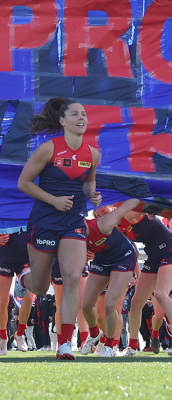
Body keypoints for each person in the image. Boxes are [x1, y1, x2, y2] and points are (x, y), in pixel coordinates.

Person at [16, 97, 101, 360]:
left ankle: (65, 343)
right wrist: (53, 200)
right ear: (62, 120)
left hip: (73, 221)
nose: (81, 118)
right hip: (43, 222)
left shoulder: (92, 154)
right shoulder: (48, 149)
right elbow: (24, 182)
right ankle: (23, 280)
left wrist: (93, 196)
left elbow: (88, 186)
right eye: (75, 114)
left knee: (73, 277)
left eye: (84, 113)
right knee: (40, 288)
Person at [80, 199, 140, 357]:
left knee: (110, 305)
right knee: (86, 304)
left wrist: (142, 192)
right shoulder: (72, 237)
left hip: (124, 259)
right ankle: (94, 335)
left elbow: (130, 204)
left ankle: (109, 345)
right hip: (102, 261)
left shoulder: (104, 223)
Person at [118, 208, 172, 356]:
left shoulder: (128, 213)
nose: (103, 213)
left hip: (169, 250)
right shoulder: (114, 225)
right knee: (136, 303)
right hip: (153, 257)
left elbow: (144, 206)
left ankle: (158, 337)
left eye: (105, 211)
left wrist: (152, 210)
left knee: (161, 295)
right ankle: (132, 347)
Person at [0, 226, 35, 356]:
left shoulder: (28, 207)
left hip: (26, 255)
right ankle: (3, 338)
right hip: (5, 256)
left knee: (29, 298)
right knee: (2, 301)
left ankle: (19, 334)